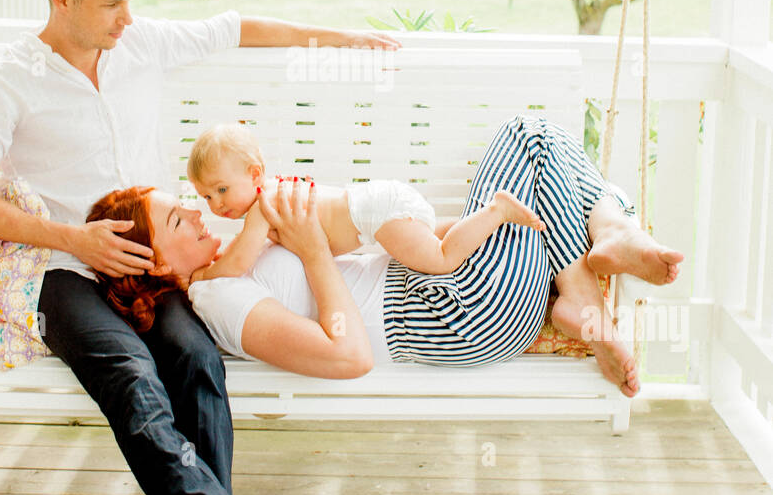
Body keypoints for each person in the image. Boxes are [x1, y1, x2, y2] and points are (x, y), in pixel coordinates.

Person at [0, 0, 399, 495]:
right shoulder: (10, 82)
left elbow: (235, 26)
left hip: (152, 265)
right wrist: (73, 239)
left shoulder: (141, 43)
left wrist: (335, 40)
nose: (129, 19)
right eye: (111, 5)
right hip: (65, 267)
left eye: (131, 2)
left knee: (195, 360)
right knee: (129, 373)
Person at [85, 114, 684, 404]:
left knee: (546, 171)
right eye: (176, 220)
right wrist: (317, 252)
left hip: (454, 294)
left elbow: (380, 251)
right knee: (531, 138)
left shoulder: (234, 263)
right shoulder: (216, 292)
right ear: (153, 263)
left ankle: (584, 280)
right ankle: (605, 242)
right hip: (445, 310)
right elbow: (349, 358)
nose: (196, 212)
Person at [184, 121, 546, 281]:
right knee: (430, 236)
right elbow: (243, 251)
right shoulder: (271, 196)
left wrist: (202, 274)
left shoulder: (263, 205)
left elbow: (240, 262)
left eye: (221, 190)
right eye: (206, 197)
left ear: (253, 174)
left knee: (441, 259)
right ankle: (481, 225)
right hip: (380, 206)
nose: (215, 204)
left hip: (376, 215)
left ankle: (496, 210)